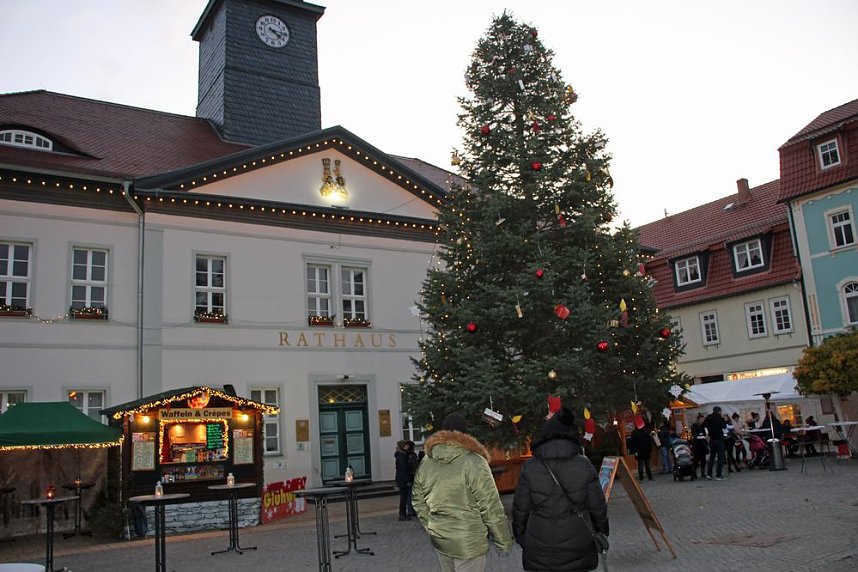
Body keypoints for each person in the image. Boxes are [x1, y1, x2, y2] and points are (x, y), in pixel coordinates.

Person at [412, 412, 513, 571]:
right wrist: (504, 540)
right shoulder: (474, 462)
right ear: (464, 434)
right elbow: (490, 505)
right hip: (469, 541)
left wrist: (433, 526)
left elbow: (418, 501)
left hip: (442, 539)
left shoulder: (427, 462)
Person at [512, 407, 609, 572]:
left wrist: (522, 537)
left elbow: (520, 509)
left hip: (539, 544)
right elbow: (597, 506)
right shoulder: (584, 464)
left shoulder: (530, 467)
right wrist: (601, 532)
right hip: (578, 544)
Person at [395, 440, 418, 520]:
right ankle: (402, 515)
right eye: (405, 445)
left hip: (402, 479)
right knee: (403, 498)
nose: (407, 446)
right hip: (403, 480)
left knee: (404, 497)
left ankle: (403, 514)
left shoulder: (403, 455)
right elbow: (403, 470)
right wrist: (407, 480)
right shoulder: (402, 457)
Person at [703, 406, 727, 480]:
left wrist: (706, 434)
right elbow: (724, 426)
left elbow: (703, 425)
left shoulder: (709, 417)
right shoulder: (719, 418)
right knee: (720, 458)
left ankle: (709, 475)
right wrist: (724, 419)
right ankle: (718, 475)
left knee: (712, 458)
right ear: (719, 411)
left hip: (712, 440)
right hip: (719, 439)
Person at [690, 413, 709, 479]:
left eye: (703, 419)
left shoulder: (704, 426)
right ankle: (693, 471)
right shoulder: (694, 425)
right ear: (698, 420)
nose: (702, 420)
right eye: (701, 419)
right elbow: (694, 434)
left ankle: (703, 472)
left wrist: (706, 437)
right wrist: (700, 435)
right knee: (696, 459)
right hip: (697, 444)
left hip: (703, 444)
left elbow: (706, 434)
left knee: (703, 459)